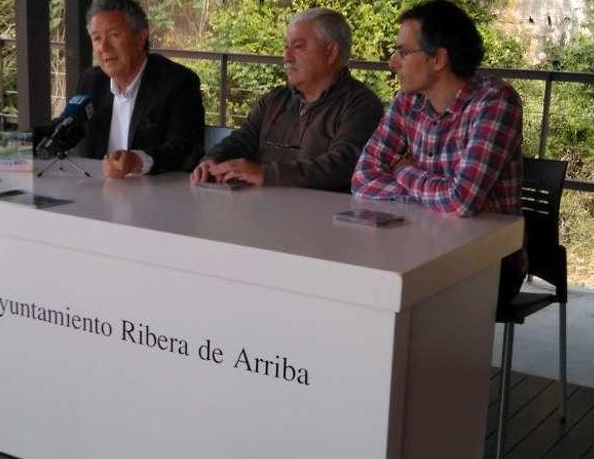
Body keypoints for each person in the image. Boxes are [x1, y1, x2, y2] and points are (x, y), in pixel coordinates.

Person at [350, 0, 525, 300]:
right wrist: (431, 197)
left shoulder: (495, 102)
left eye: (404, 52)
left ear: (438, 59)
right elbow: (362, 179)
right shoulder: (408, 101)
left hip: (488, 263)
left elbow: (460, 201)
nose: (393, 62)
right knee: (357, 279)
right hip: (416, 245)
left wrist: (403, 170)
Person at [190, 8, 383, 192]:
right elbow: (242, 140)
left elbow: (343, 165)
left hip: (323, 218)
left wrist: (266, 174)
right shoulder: (274, 100)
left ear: (331, 52)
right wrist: (211, 161)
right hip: (261, 211)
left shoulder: (362, 105)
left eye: (298, 47)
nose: (286, 57)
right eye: (286, 47)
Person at [79, 0, 205, 179]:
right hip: (96, 195)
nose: (104, 47)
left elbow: (187, 150)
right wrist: (28, 141)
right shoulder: (92, 81)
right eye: (97, 38)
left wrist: (138, 161)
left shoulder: (177, 82)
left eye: (114, 35)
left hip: (156, 199)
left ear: (140, 38)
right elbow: (66, 126)